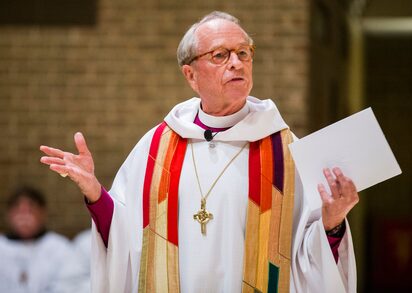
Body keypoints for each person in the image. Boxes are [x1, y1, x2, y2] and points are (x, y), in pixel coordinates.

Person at [40, 11, 359, 293]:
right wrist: (95, 192)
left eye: (244, 53)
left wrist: (332, 223)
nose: (237, 62)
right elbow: (126, 235)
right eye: (220, 55)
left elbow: (307, 254)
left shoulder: (283, 149)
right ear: (190, 75)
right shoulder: (157, 146)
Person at [0, 186, 72, 293]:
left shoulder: (60, 247)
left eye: (30, 210)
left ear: (42, 213)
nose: (23, 217)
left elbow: (67, 286)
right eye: (18, 211)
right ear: (9, 214)